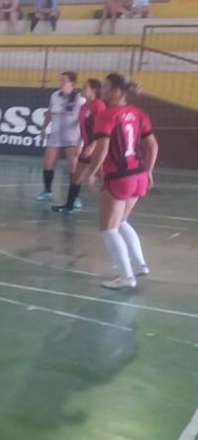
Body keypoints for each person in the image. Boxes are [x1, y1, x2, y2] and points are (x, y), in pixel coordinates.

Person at [82, 74, 158, 290]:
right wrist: (150, 171)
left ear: (117, 91)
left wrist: (91, 172)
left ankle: (127, 277)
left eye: (105, 87)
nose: (102, 91)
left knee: (108, 229)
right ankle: (139, 265)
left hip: (119, 176)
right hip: (138, 174)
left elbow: (102, 148)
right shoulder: (139, 114)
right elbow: (152, 146)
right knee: (121, 222)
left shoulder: (107, 115)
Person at [52, 78, 105, 214]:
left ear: (94, 90)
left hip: (100, 149)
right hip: (87, 147)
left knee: (106, 179)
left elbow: (103, 131)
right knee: (76, 177)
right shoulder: (83, 107)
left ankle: (113, 207)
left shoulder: (99, 106)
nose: (82, 89)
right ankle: (68, 207)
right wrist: (81, 144)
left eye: (85, 87)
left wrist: (93, 146)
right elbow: (83, 128)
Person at [36, 71, 84, 203]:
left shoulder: (79, 99)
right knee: (48, 163)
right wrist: (43, 128)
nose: (61, 83)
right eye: (60, 80)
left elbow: (84, 120)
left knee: (73, 166)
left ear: (72, 84)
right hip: (56, 136)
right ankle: (47, 191)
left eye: (64, 81)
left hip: (72, 138)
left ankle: (75, 196)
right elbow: (50, 113)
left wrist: (82, 141)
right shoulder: (55, 96)